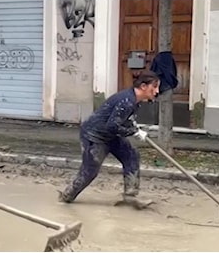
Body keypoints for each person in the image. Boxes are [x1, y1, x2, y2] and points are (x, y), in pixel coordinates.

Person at [58, 70, 160, 209]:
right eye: (154, 87)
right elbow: (113, 126)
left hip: (110, 136)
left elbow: (123, 121)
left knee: (131, 155)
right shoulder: (127, 101)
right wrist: (133, 132)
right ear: (143, 86)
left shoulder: (135, 101)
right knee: (90, 172)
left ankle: (130, 196)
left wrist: (133, 127)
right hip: (94, 136)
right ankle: (67, 197)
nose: (156, 91)